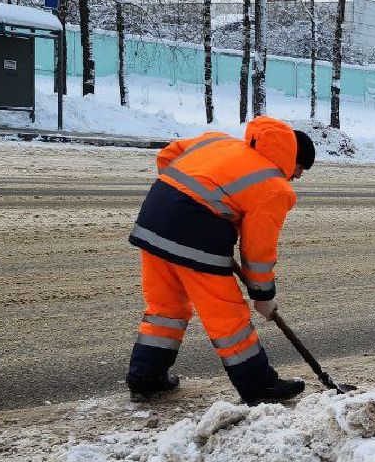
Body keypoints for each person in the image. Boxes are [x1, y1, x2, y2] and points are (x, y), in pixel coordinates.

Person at [126, 116, 315, 405]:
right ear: (291, 158)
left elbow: (167, 155)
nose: (298, 176)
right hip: (195, 235)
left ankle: (146, 379)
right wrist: (263, 296)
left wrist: (187, 195)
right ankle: (258, 387)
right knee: (228, 318)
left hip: (154, 218)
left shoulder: (218, 141)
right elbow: (257, 251)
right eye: (301, 168)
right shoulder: (274, 186)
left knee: (166, 308)